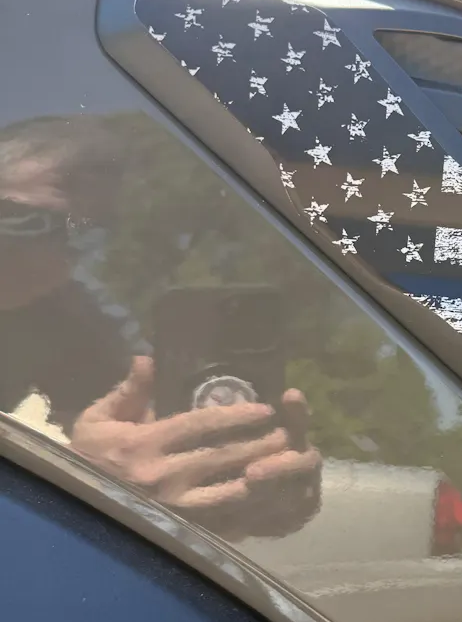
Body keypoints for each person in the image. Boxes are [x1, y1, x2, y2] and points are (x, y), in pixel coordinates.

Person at [0, 115, 320, 540]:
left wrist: (234, 478)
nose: (53, 259)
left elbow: (139, 425)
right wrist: (68, 479)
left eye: (82, 237)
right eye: (25, 221)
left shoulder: (75, 320)